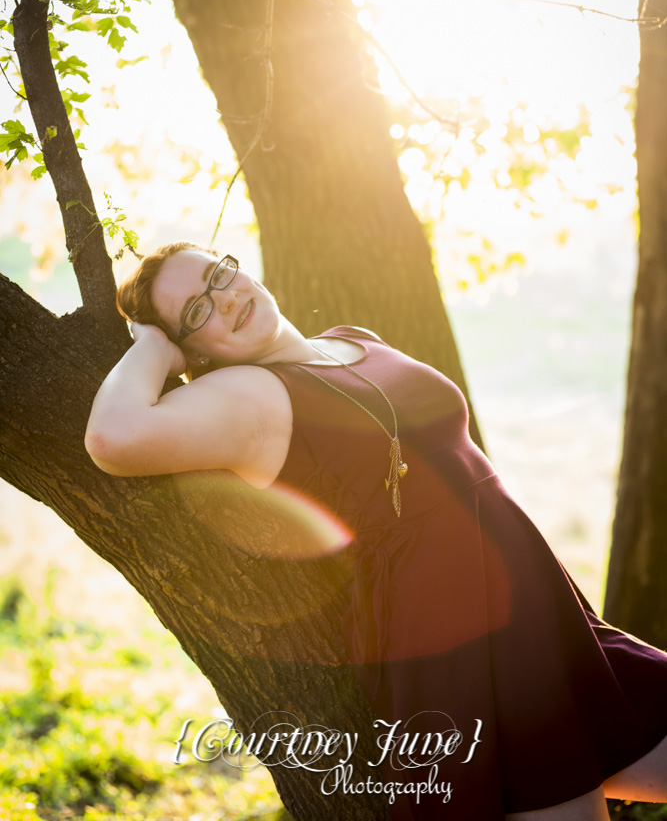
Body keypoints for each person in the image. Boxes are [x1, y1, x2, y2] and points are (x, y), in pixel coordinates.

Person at [85, 241, 667, 821]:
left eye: (218, 276)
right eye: (194, 312)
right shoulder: (248, 395)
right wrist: (149, 346)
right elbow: (113, 438)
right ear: (192, 354)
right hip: (459, 634)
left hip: (540, 611)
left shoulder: (350, 339)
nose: (224, 300)